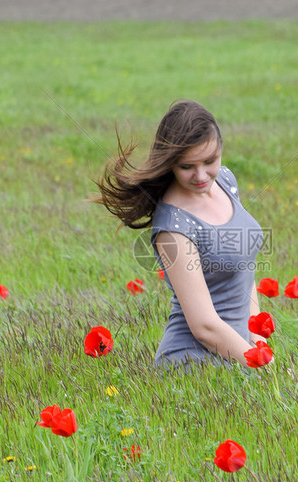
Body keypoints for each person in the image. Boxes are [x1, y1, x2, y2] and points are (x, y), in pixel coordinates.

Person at [94, 100, 265, 367]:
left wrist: (260, 343)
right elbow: (204, 326)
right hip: (195, 363)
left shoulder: (226, 181)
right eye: (187, 166)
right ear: (170, 163)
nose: (201, 175)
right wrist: (262, 366)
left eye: (210, 161)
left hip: (240, 354)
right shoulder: (173, 227)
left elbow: (244, 271)